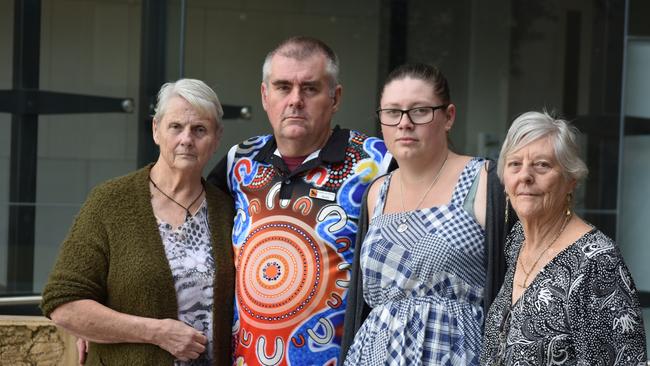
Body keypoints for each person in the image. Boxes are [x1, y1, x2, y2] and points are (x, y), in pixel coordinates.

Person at [207, 36, 392, 365]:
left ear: (335, 98)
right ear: (265, 96)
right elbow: (186, 243)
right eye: (282, 87)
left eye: (310, 89)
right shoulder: (240, 161)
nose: (295, 100)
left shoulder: (378, 163)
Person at [40, 79, 235, 365]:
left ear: (217, 138)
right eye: (176, 126)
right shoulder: (111, 202)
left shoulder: (227, 209)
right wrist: (156, 332)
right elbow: (63, 304)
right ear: (156, 130)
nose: (187, 139)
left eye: (200, 130)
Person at [340, 63, 512, 365]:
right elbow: (361, 308)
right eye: (392, 112)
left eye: (419, 111)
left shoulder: (486, 181)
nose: (404, 123)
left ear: (448, 117)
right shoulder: (376, 193)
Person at [480, 111, 647, 365]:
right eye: (515, 164)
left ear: (571, 180)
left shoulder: (597, 261)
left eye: (542, 165)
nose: (525, 175)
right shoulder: (517, 241)